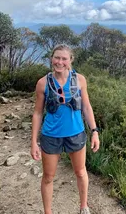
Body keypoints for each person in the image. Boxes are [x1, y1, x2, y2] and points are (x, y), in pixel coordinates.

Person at [30, 44, 100, 214]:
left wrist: (94, 131)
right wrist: (33, 142)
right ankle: (48, 212)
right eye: (56, 58)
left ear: (70, 61)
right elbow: (38, 113)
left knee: (81, 171)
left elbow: (86, 107)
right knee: (48, 177)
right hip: (51, 135)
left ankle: (84, 207)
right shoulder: (43, 83)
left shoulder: (80, 80)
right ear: (51, 59)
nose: (59, 62)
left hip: (76, 134)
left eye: (64, 59)